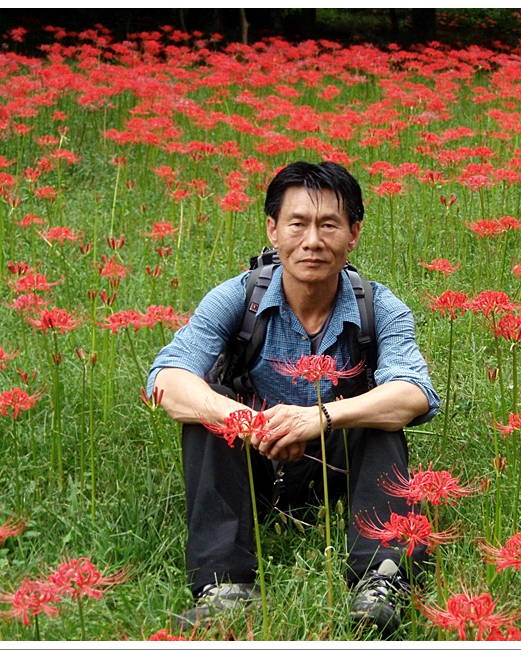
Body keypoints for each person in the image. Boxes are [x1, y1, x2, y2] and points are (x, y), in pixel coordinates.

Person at [145, 161, 439, 637]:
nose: (312, 241)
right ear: (273, 230)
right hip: (252, 461)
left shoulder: (379, 306)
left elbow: (414, 394)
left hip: (338, 467)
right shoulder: (236, 299)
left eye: (329, 225)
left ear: (353, 235)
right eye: (297, 223)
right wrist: (246, 420)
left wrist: (320, 417)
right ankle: (224, 585)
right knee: (207, 406)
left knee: (376, 405)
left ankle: (382, 577)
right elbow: (167, 379)